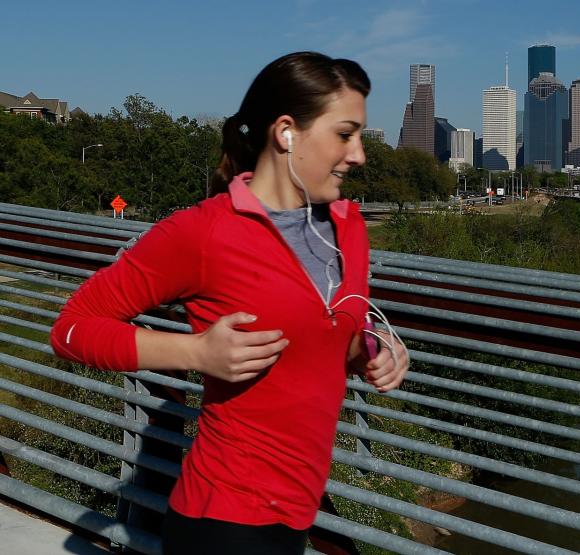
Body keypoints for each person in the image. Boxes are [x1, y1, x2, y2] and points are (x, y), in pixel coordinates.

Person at [49, 51, 408, 555]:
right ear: (286, 132)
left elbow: (335, 339)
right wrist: (196, 353)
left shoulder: (348, 228)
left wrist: (377, 348)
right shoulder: (203, 232)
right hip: (225, 517)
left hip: (299, 510)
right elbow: (70, 329)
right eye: (345, 134)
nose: (358, 155)